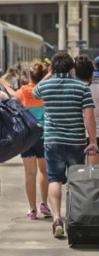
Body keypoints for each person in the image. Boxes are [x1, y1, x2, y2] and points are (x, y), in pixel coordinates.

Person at [33, 52, 98, 238]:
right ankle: (73, 217)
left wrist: (49, 73)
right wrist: (92, 141)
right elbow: (89, 116)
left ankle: (56, 218)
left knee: (54, 179)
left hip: (52, 140)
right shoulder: (81, 88)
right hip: (76, 141)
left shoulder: (45, 85)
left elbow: (35, 91)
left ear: (52, 68)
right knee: (75, 181)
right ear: (72, 69)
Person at [16, 62, 51, 220]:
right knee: (44, 171)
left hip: (27, 137)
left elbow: (10, 96)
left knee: (30, 173)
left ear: (29, 76)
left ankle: (32, 209)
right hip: (43, 136)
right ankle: (44, 203)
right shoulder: (46, 91)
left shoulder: (23, 91)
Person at [75, 55, 99, 165]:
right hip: (96, 134)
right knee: (94, 171)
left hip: (77, 135)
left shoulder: (73, 89)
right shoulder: (97, 89)